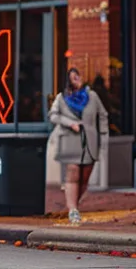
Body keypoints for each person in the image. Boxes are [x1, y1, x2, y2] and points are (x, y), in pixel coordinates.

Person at [49, 67, 108, 225]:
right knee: (73, 173)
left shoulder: (92, 96)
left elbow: (103, 115)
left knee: (85, 176)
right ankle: (73, 210)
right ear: (68, 82)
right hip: (70, 139)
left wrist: (103, 135)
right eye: (74, 78)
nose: (78, 79)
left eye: (78, 76)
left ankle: (74, 204)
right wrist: (70, 123)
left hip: (90, 141)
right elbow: (53, 115)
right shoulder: (62, 98)